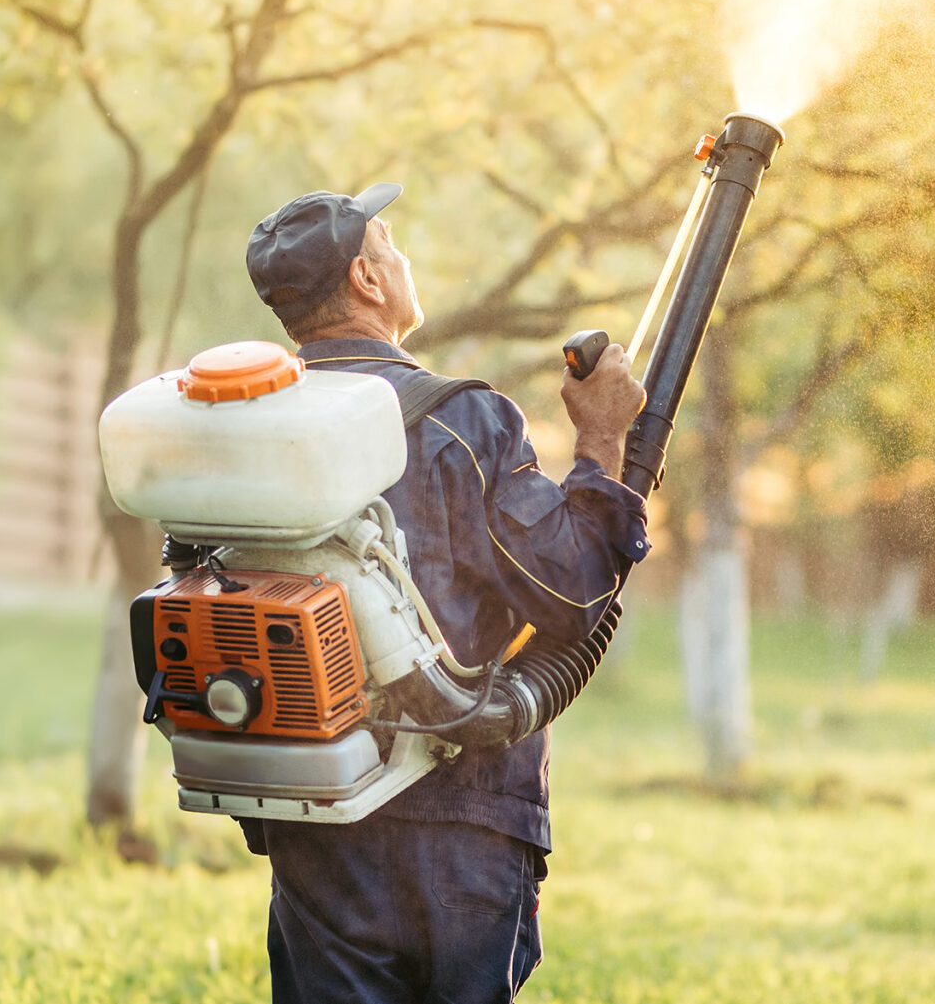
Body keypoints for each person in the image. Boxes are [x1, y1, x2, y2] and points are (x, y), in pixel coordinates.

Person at [239, 181, 650, 1003]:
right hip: (460, 817)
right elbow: (571, 594)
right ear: (366, 280)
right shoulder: (459, 421)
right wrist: (602, 440)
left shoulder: (254, 427)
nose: (404, 257)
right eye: (389, 243)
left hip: (315, 811)